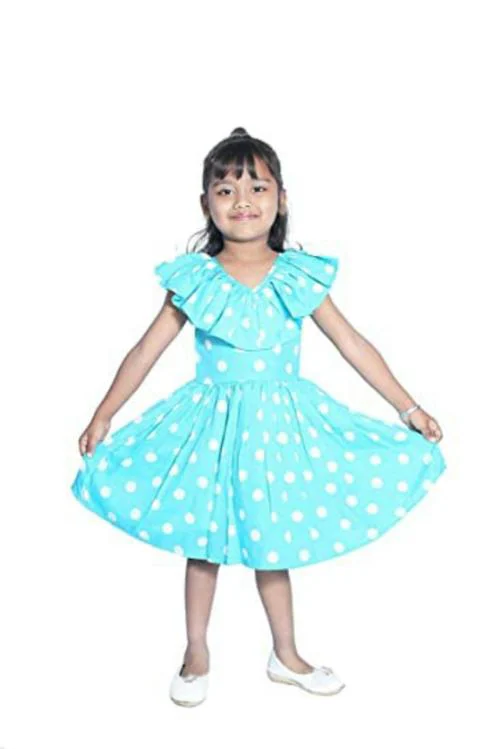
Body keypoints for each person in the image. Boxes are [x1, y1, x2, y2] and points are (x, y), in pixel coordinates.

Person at [71, 126, 447, 707]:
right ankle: (196, 650)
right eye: (225, 190)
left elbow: (353, 344)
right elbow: (146, 350)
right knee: (203, 539)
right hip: (210, 428)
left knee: (275, 542)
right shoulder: (195, 279)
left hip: (280, 429)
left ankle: (285, 654)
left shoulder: (298, 275)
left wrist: (409, 406)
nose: (242, 201)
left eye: (257, 188)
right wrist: (104, 414)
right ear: (206, 204)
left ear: (282, 199)